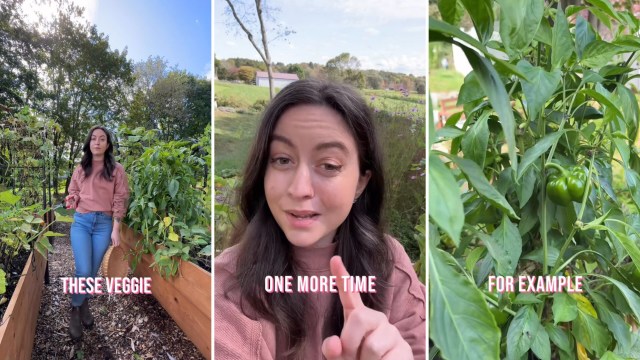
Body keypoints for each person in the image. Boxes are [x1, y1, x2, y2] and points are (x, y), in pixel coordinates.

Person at [215, 79, 425, 359]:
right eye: (282, 160)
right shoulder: (229, 285)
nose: (300, 189)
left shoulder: (390, 264)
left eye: (329, 165)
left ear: (361, 182)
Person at [64, 125, 129, 340]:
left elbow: (120, 198)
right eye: (93, 138)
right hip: (82, 222)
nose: (97, 142)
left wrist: (116, 229)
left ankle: (84, 305)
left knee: (91, 271)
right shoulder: (81, 168)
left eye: (102, 139)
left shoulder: (116, 169)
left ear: (108, 144)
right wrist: (72, 198)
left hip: (103, 224)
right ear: (89, 143)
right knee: (83, 269)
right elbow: (73, 191)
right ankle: (75, 309)